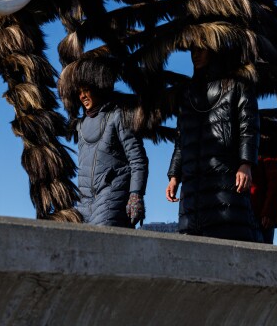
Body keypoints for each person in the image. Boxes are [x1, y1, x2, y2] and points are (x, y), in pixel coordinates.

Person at [165, 47, 260, 242]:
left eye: (202, 49)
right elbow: (181, 138)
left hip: (225, 181)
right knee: (192, 248)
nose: (195, 54)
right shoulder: (188, 93)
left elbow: (248, 125)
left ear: (214, 51)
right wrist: (174, 176)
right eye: (193, 50)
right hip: (192, 188)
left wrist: (246, 163)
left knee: (229, 242)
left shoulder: (237, 84)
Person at [73, 80, 149, 227]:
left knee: (104, 239)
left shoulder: (118, 116)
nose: (82, 96)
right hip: (84, 204)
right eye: (79, 92)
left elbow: (137, 159)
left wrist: (135, 195)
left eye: (86, 90)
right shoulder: (80, 125)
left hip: (113, 195)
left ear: (98, 88)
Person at [249, 133, 277, 244]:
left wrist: (269, 212)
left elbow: (276, 179)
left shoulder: (266, 141)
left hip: (259, 217)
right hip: (240, 212)